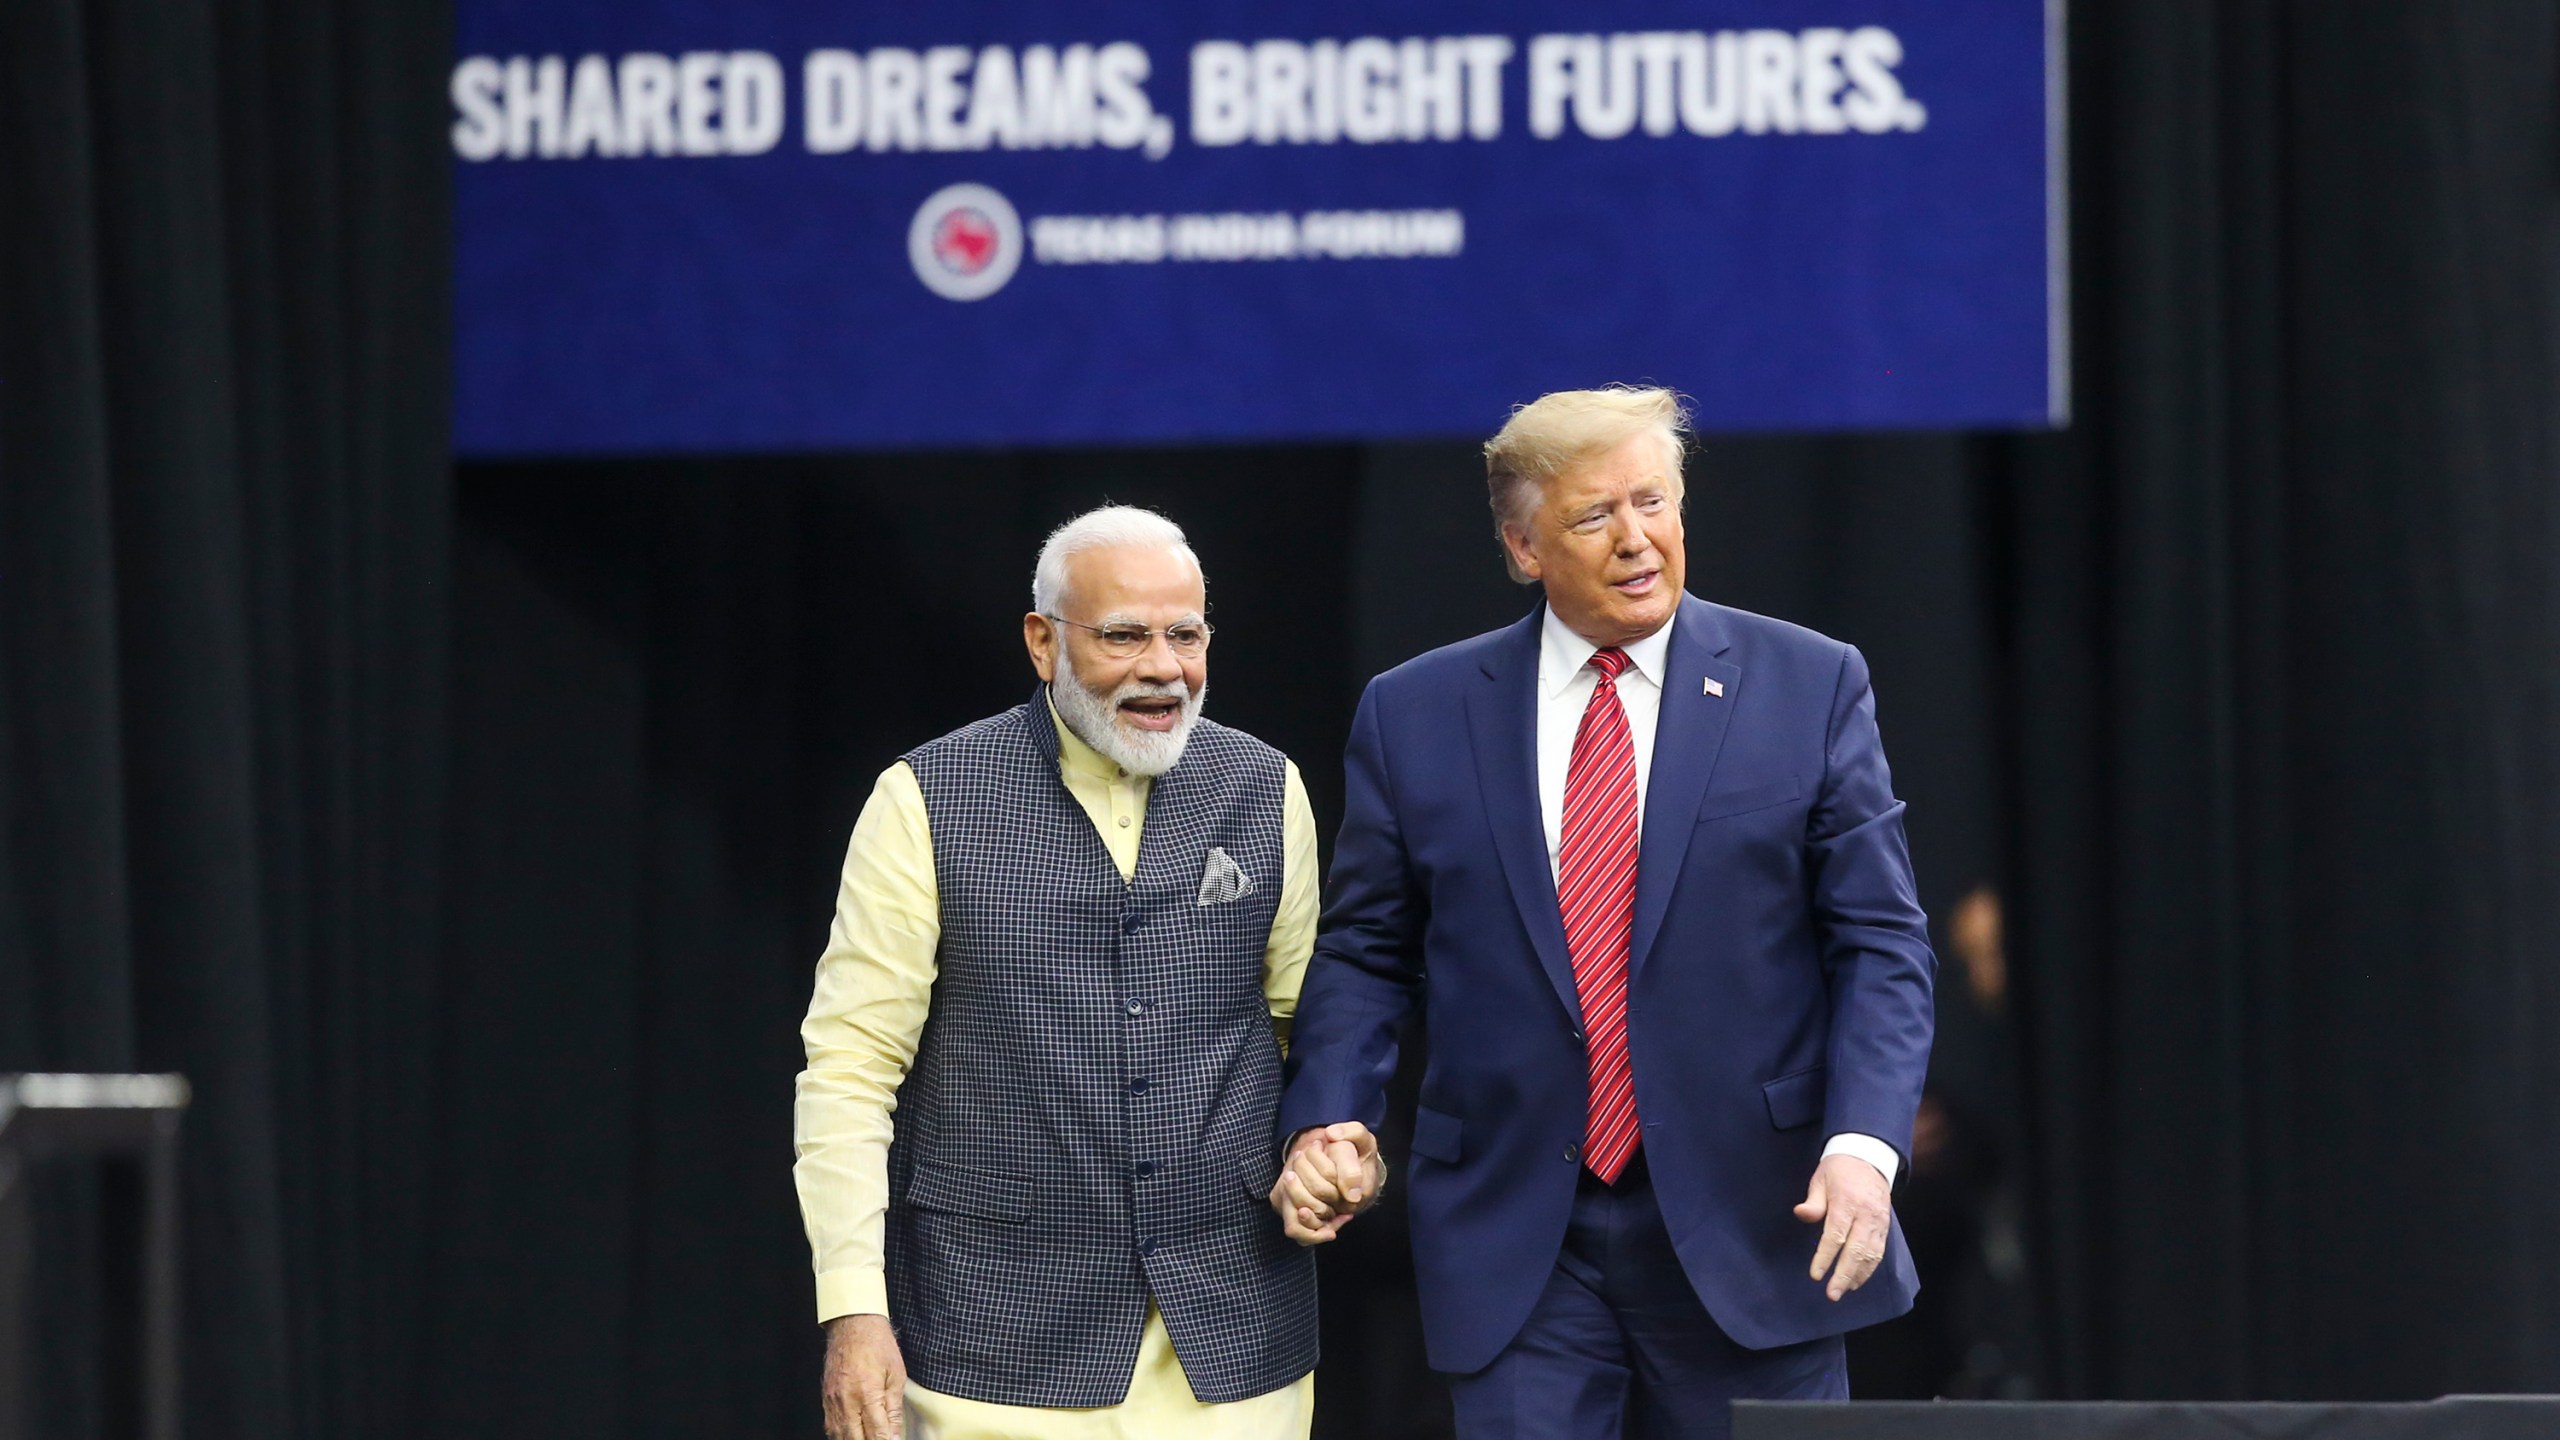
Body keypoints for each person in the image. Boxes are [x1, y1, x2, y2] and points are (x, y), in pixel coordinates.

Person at [1271, 387, 1936, 1439]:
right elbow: (1365, 949)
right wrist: (1331, 1111)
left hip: (1754, 1216)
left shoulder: (1808, 685)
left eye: (1654, 502)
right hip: (1516, 1232)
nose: (1636, 539)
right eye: (1594, 517)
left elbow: (1881, 943)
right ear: (1523, 547)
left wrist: (1863, 1143)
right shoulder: (1415, 713)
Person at [794, 505, 1323, 1440]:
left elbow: (1307, 1034)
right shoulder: (926, 797)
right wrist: (853, 1307)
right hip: (991, 1344)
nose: (1164, 666)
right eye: (1124, 635)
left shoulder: (1265, 785)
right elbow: (849, 1071)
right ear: (1043, 643)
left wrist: (1331, 1139)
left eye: (1186, 634)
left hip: (1234, 1342)